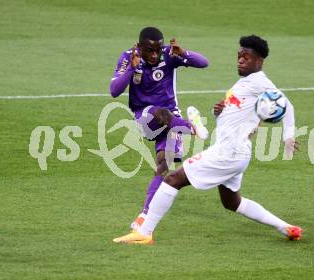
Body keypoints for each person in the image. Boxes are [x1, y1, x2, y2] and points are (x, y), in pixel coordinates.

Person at [113, 34, 303, 245]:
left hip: (229, 152)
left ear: (259, 60)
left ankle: (144, 231)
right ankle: (286, 227)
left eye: (246, 57)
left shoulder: (260, 83)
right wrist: (217, 111)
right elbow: (233, 115)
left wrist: (288, 136)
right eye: (239, 55)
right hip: (237, 151)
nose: (240, 60)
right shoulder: (244, 83)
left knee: (172, 179)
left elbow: (287, 106)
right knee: (232, 202)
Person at [110, 27, 209, 230]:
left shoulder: (168, 55)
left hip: (172, 118)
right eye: (149, 50)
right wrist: (131, 68)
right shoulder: (129, 57)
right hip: (145, 117)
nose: (155, 54)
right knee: (161, 113)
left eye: (158, 49)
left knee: (163, 166)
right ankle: (193, 128)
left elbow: (204, 63)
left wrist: (183, 54)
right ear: (139, 47)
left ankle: (144, 216)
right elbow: (114, 91)